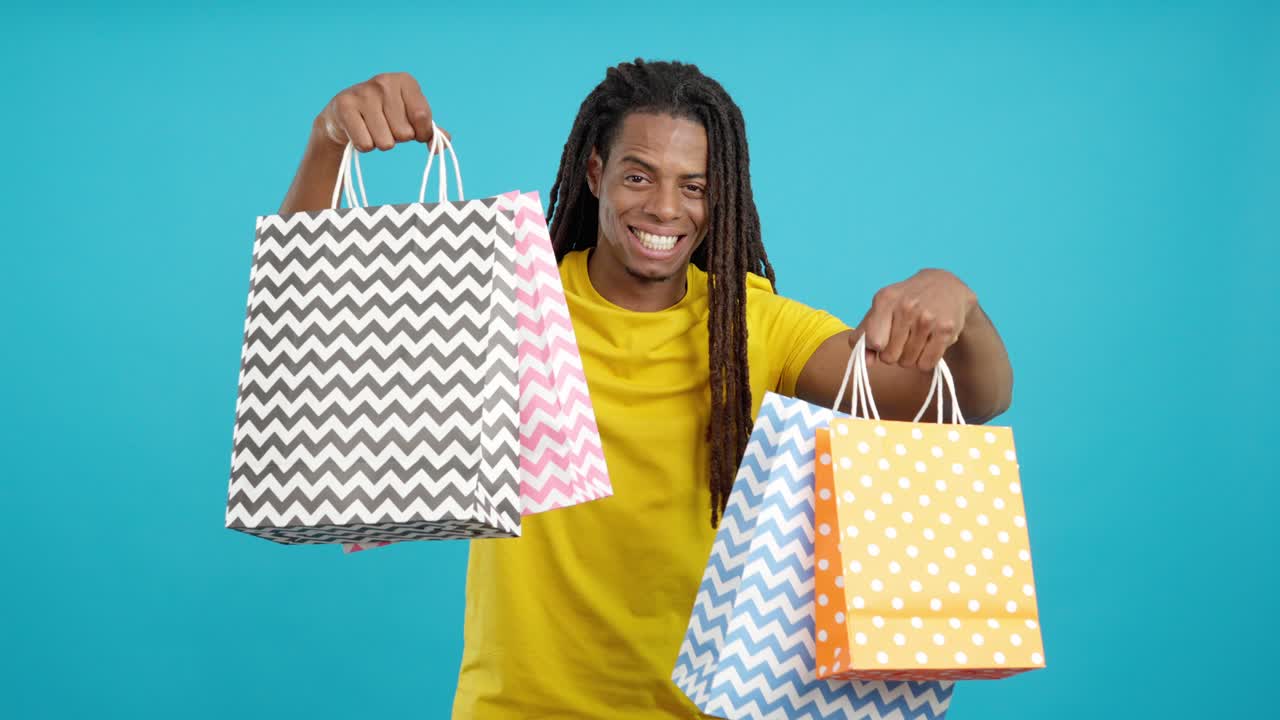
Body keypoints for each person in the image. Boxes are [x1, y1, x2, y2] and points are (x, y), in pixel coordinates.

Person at [279, 59, 1013, 719]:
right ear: (594, 172)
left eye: (693, 186)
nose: (666, 209)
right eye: (639, 175)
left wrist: (961, 305)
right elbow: (310, 324)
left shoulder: (752, 325)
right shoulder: (505, 298)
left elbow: (976, 399)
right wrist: (327, 143)